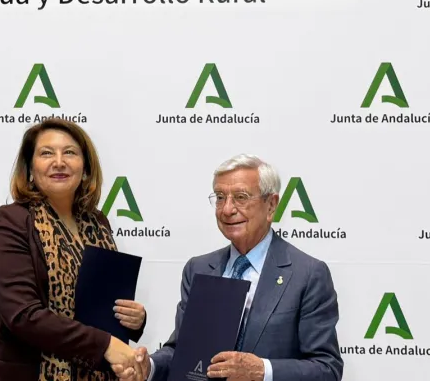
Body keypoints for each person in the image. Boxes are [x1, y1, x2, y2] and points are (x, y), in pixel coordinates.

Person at [114, 154, 343, 381]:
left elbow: (327, 369)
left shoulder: (307, 274)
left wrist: (262, 371)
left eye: (241, 197)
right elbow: (182, 351)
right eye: (220, 197)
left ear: (271, 205)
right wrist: (149, 366)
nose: (227, 209)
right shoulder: (199, 269)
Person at [0, 118, 148, 381]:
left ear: (85, 167)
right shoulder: (10, 221)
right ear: (31, 168)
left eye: (70, 152)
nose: (59, 162)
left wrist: (134, 318)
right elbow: (23, 315)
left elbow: (98, 303)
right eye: (46, 153)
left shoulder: (98, 223)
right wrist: (105, 345)